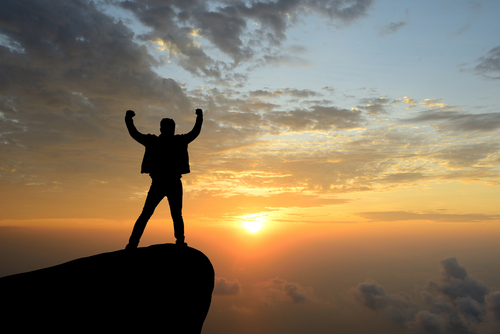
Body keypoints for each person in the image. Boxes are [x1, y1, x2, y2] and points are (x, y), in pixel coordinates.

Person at [124, 108, 203, 249]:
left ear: (161, 128)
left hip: (160, 183)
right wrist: (199, 117)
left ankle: (133, 244)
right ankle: (179, 242)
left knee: (148, 214)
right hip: (170, 183)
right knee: (174, 215)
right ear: (169, 129)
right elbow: (195, 132)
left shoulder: (154, 141)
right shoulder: (177, 141)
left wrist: (129, 118)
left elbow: (134, 133)